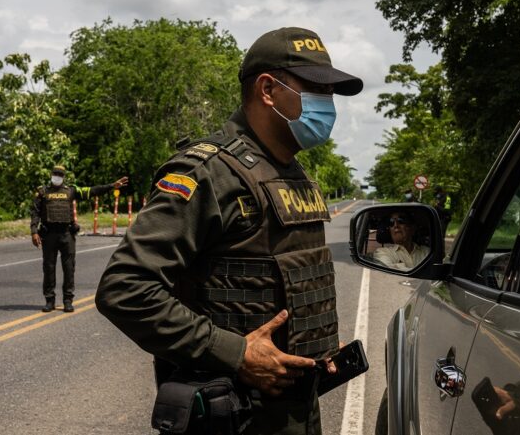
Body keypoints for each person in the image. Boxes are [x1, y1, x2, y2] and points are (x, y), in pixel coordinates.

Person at [95, 27, 363, 435]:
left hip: (296, 411)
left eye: (328, 94)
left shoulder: (291, 172)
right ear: (268, 90)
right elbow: (125, 289)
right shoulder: (207, 173)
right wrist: (237, 354)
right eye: (314, 90)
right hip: (233, 415)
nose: (326, 106)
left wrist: (315, 344)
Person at [30, 165, 128, 313]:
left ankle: (68, 301)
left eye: (59, 174)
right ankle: (49, 301)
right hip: (48, 235)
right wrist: (33, 232)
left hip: (67, 235)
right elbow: (35, 213)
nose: (57, 176)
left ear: (63, 177)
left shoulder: (71, 190)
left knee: (69, 269)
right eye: (55, 173)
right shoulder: (42, 192)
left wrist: (111, 186)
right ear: (51, 174)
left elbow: (92, 190)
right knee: (48, 269)